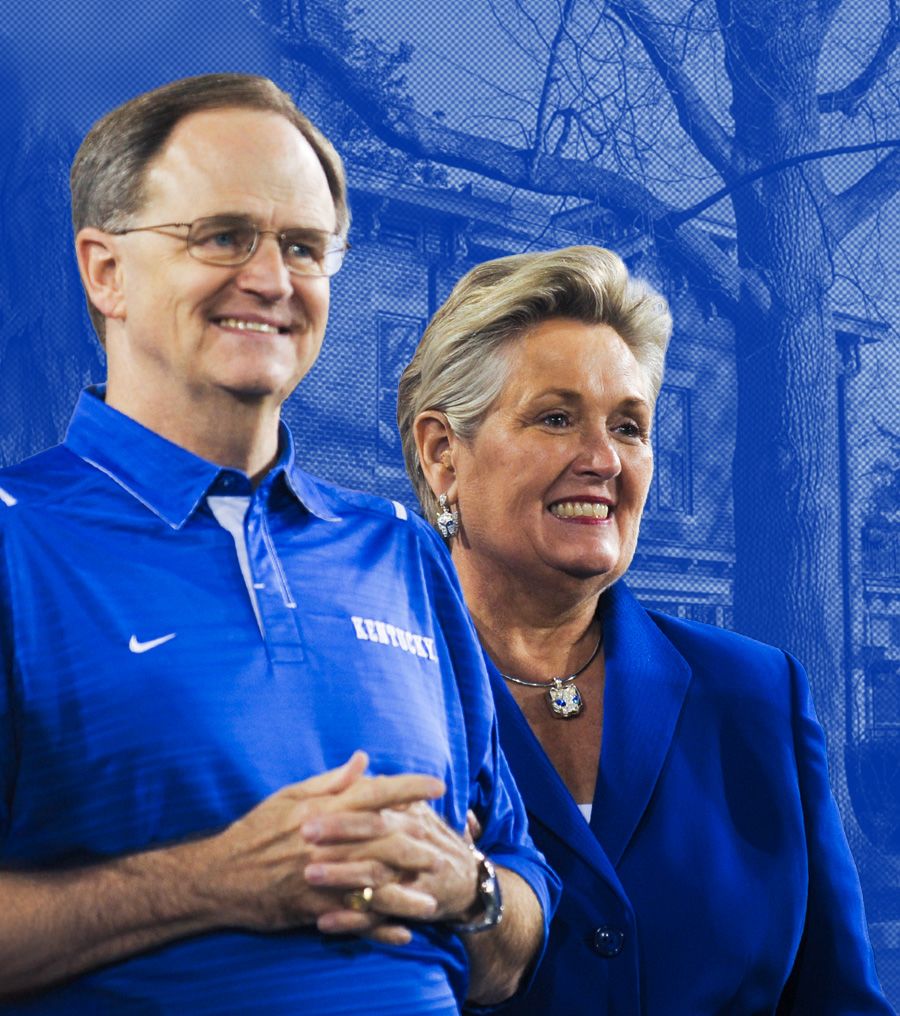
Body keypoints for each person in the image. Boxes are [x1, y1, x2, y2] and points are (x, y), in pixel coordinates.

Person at [0, 74, 559, 1014]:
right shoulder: (18, 544)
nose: (271, 280)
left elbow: (520, 914)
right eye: (223, 236)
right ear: (105, 271)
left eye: (304, 247)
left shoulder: (402, 553)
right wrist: (209, 883)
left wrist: (470, 892)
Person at [397, 246, 894, 1014]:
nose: (602, 460)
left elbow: (838, 1001)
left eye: (629, 427)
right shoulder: (368, 691)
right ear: (441, 456)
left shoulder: (756, 693)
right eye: (556, 418)